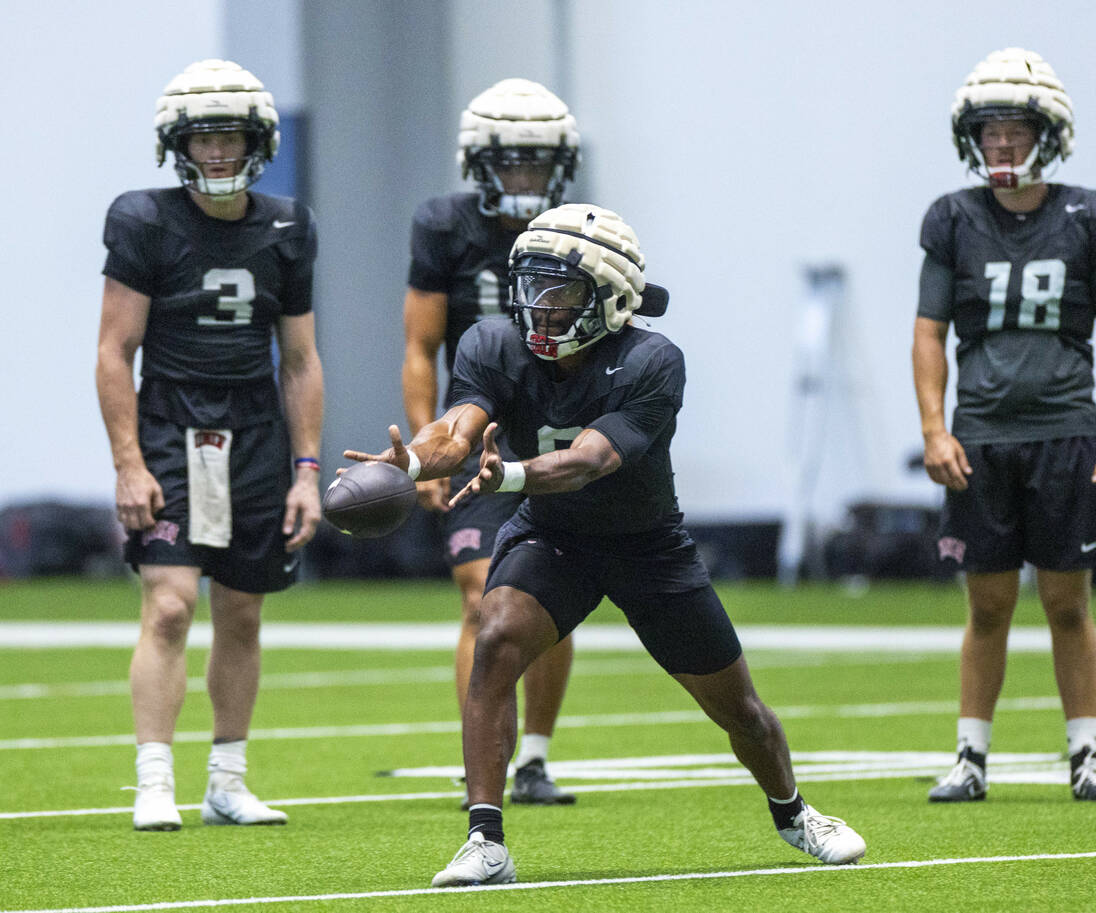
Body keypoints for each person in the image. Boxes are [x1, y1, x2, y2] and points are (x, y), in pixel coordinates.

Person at [346, 204, 866, 885]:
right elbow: (455, 429)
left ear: (610, 298)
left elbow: (588, 461)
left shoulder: (652, 360)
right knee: (494, 639)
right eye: (532, 285)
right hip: (553, 536)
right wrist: (412, 462)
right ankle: (486, 840)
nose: (540, 305)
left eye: (559, 291)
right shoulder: (494, 343)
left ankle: (794, 813)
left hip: (645, 545)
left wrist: (510, 475)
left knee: (740, 711)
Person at [95, 59, 324, 830]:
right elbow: (113, 350)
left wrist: (307, 470)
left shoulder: (288, 225)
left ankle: (226, 779)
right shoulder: (143, 219)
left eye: (231, 136)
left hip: (257, 430)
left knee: (243, 611)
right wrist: (128, 462)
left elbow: (300, 360)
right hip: (171, 424)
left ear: (258, 143)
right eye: (203, 137)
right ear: (178, 144)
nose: (218, 151)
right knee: (168, 605)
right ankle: (154, 778)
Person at [912, 48, 1096, 803]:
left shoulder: (1090, 218)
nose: (1001, 143)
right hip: (981, 436)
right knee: (987, 605)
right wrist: (935, 430)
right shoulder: (953, 219)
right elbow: (927, 333)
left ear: (1048, 134)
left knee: (1069, 602)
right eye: (989, 130)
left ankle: (1086, 754)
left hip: (1065, 432)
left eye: (1015, 129)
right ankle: (970, 756)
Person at [401, 78, 580, 807]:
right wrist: (426, 451)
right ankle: (482, 756)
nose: (525, 176)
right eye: (512, 161)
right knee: (481, 597)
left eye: (538, 162)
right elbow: (421, 346)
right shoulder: (444, 225)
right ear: (480, 162)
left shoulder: (580, 228)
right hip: (475, 435)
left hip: (556, 436)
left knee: (553, 598)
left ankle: (533, 755)